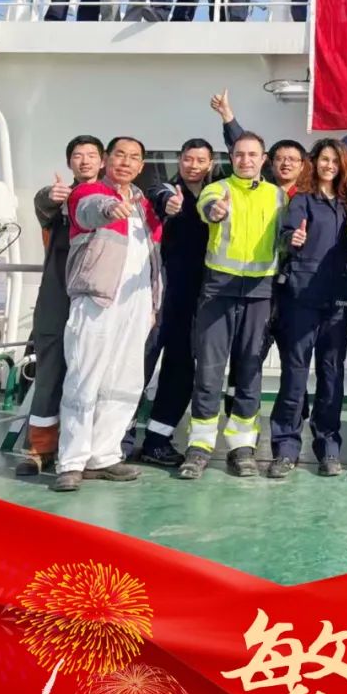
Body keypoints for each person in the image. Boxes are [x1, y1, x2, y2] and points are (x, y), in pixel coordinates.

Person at [51, 137, 163, 492]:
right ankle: (71, 461)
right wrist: (108, 208)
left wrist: (153, 304)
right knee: (84, 377)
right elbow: (88, 210)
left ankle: (104, 455)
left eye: (134, 158)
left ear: (141, 166)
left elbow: (153, 254)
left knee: (125, 381)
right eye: (119, 155)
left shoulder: (143, 204)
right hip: (97, 298)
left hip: (137, 303)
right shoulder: (89, 192)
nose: (126, 162)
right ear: (106, 160)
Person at [179, 133, 284, 479]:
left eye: (253, 154)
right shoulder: (216, 189)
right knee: (209, 371)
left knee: (250, 371)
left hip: (259, 292)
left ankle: (242, 447)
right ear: (231, 157)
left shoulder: (277, 195)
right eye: (239, 154)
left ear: (263, 159)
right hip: (218, 290)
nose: (245, 160)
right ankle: (199, 446)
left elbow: (284, 237)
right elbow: (207, 208)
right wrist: (215, 211)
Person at [16, 135, 106, 475]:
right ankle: (40, 448)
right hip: (58, 294)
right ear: (69, 162)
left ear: (102, 161)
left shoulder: (116, 200)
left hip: (98, 297)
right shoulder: (60, 198)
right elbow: (43, 204)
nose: (85, 160)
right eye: (78, 155)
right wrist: (48, 196)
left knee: (96, 374)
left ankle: (93, 451)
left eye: (91, 155)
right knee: (51, 369)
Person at [269, 140, 347, 479]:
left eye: (335, 160)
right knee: (294, 375)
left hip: (337, 301)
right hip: (301, 298)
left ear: (342, 165)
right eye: (324, 159)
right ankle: (285, 448)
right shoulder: (302, 200)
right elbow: (288, 233)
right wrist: (293, 239)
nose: (329, 165)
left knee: (331, 376)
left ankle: (328, 448)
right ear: (314, 163)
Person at [137, 138, 218, 467]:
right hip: (160, 296)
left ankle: (157, 441)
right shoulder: (166, 189)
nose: (193, 165)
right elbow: (159, 196)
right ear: (180, 160)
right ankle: (118, 439)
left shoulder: (215, 196)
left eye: (200, 160)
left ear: (210, 164)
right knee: (139, 365)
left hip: (196, 299)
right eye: (188, 159)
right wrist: (169, 203)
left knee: (182, 370)